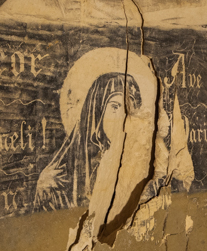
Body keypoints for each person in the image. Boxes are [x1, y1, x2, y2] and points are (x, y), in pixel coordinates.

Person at [35, 72, 142, 212]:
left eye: (129, 109)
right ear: (98, 110)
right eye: (115, 107)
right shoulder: (53, 184)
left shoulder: (137, 156)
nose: (122, 117)